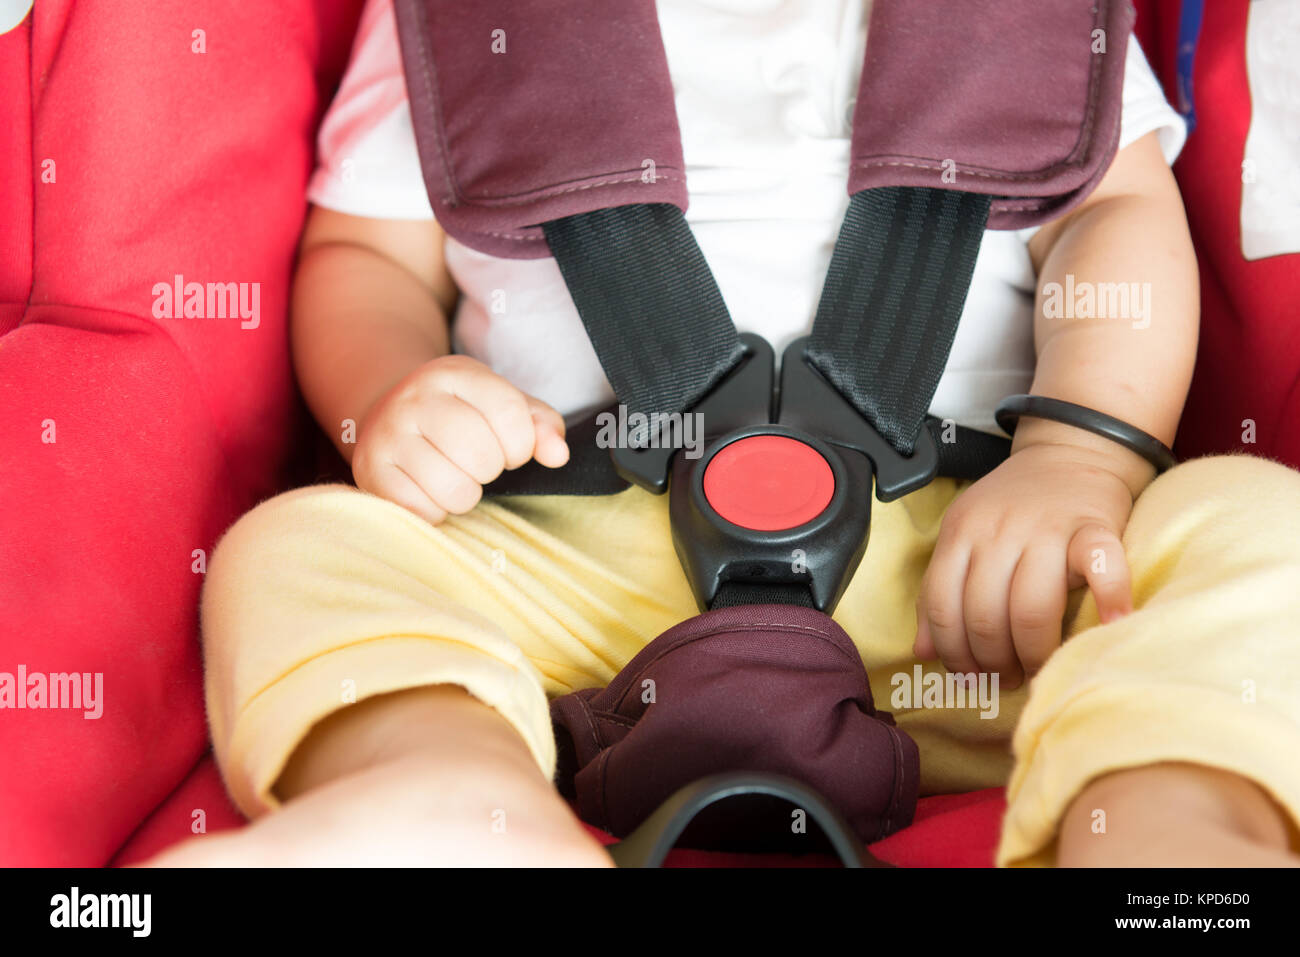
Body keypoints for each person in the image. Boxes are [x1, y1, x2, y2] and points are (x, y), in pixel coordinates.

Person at [150, 0, 1300, 866]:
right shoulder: (467, 35)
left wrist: (1079, 454)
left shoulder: (1027, 30)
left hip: (978, 586)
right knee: (303, 546)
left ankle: (1170, 823)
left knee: (1250, 524)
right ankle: (442, 788)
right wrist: (395, 389)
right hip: (563, 582)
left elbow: (1115, 217)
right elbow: (364, 259)